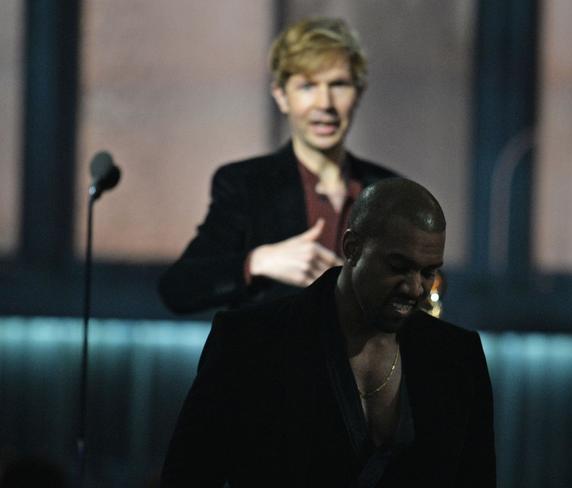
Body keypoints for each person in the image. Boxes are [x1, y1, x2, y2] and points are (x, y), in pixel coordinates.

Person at [161, 178, 496, 487]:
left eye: (427, 272)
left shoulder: (458, 357)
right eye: (398, 267)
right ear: (351, 247)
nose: (414, 288)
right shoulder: (248, 343)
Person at [158, 17, 398, 314]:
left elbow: (423, 293)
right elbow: (178, 289)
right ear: (282, 97)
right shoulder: (245, 184)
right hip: (272, 360)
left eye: (338, 85)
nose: (325, 103)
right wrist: (258, 261)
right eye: (307, 86)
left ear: (358, 93)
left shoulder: (390, 191)